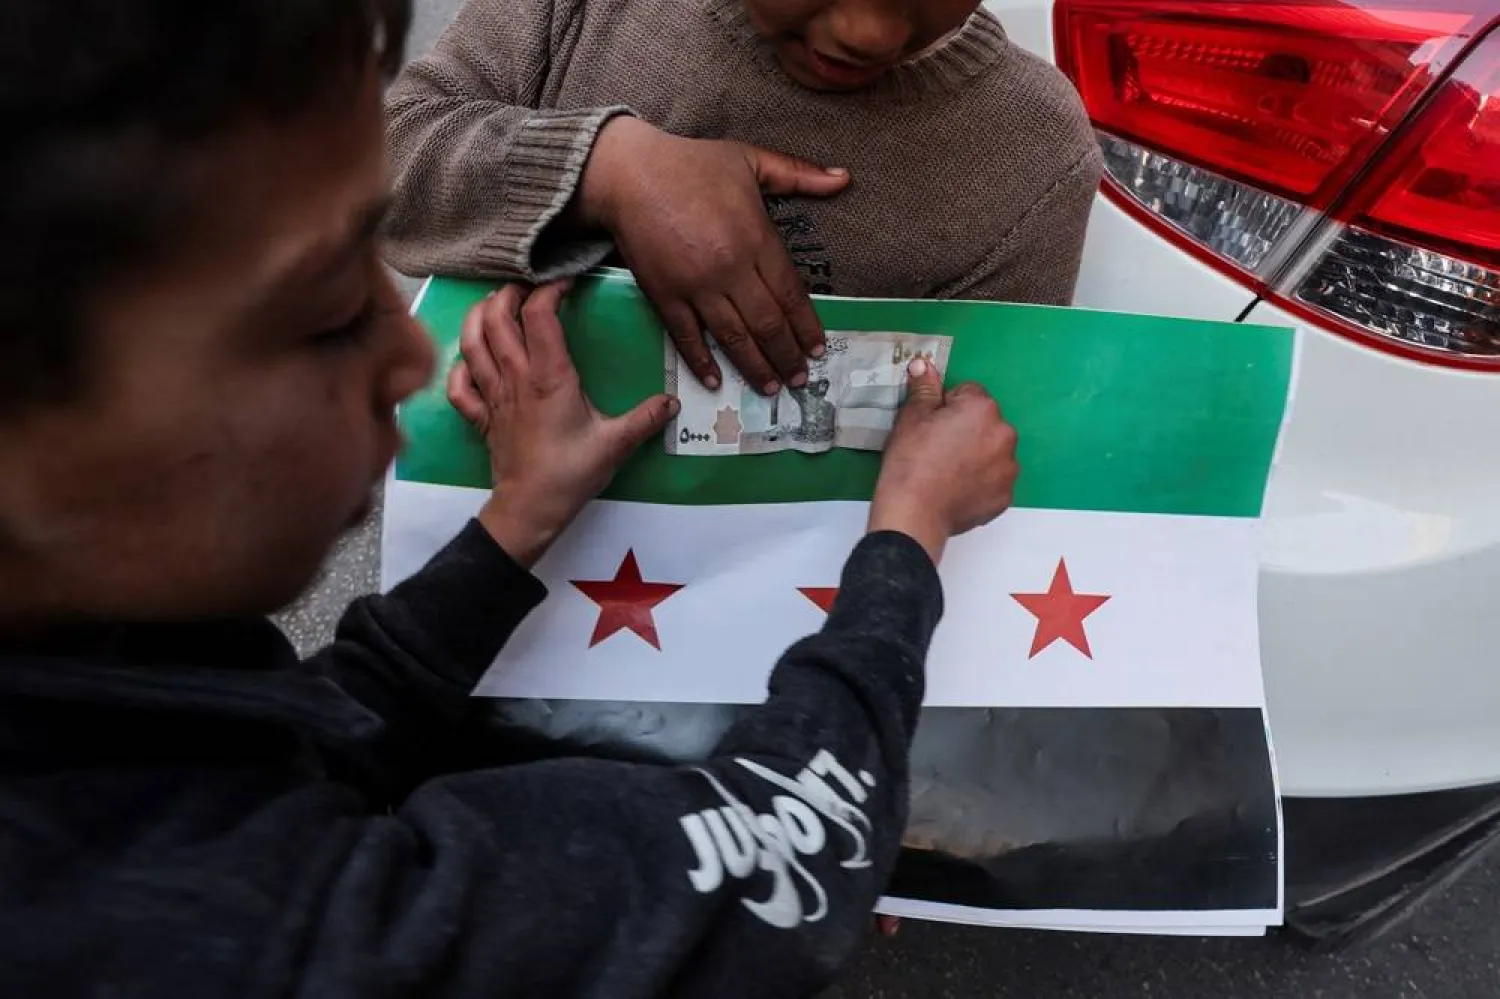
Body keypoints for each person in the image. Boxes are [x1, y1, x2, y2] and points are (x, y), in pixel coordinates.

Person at [0, 1, 1020, 995]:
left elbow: (311, 744)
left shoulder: (93, 715)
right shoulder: (271, 930)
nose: (409, 350)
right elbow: (766, 858)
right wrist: (905, 540)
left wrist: (517, 521)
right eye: (321, 319)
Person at [383, 0, 1103, 397]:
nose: (868, 31)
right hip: (479, 593)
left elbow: (981, 427)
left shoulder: (1032, 155)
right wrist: (609, 169)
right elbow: (384, 164)